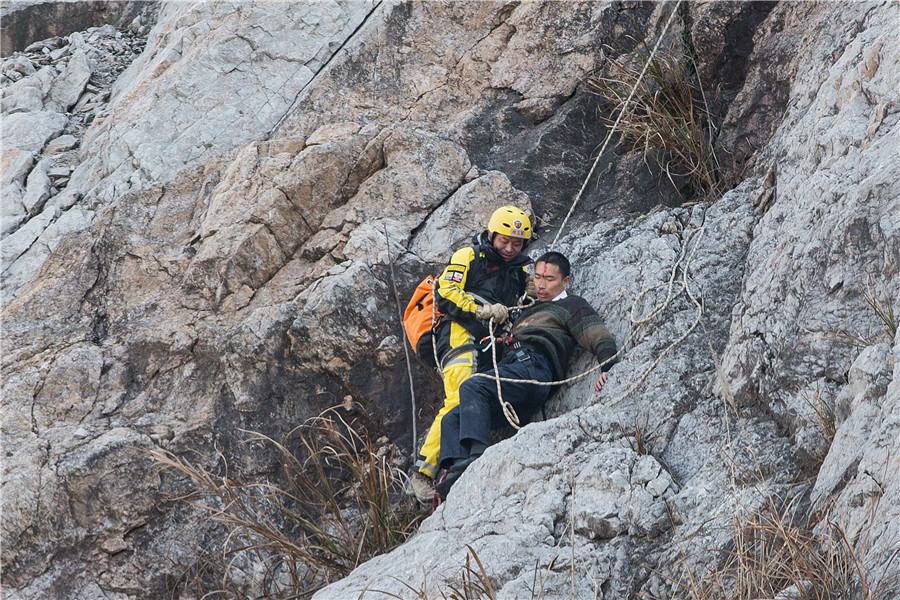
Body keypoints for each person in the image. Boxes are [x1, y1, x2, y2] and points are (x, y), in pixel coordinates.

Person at [435, 251, 618, 498]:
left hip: (534, 367)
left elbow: (597, 334)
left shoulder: (570, 305)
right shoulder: (528, 310)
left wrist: (607, 367)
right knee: (452, 418)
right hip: (517, 374)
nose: (541, 284)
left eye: (550, 279)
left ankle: (476, 460)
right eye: (538, 277)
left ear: (566, 281)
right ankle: (457, 475)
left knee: (473, 386)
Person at [407, 206, 534, 503]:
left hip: (492, 342)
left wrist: (529, 293)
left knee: (480, 396)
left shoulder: (520, 270)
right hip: (458, 334)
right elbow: (447, 290)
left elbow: (525, 302)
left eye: (517, 243)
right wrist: (481, 310)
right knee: (457, 398)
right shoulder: (469, 256)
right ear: (491, 235)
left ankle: (458, 462)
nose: (510, 248)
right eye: (504, 240)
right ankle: (422, 471)